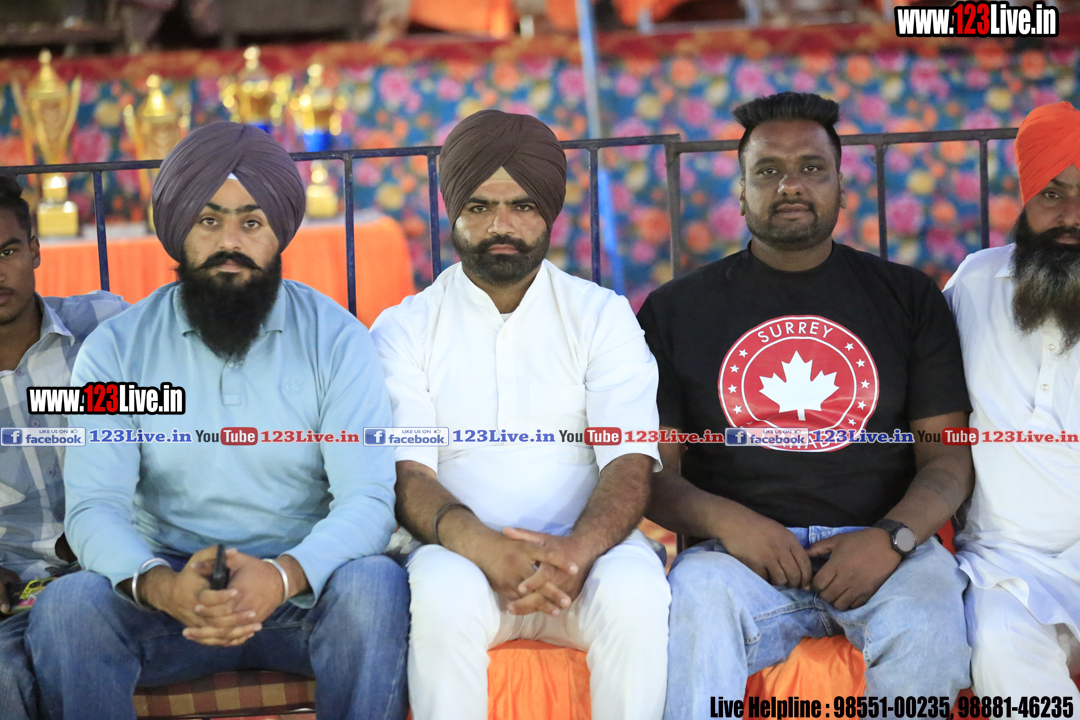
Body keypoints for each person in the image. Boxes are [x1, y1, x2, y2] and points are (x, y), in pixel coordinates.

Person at [25, 122, 409, 720]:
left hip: (302, 592)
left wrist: (282, 576)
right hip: (172, 598)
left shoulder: (336, 339)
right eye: (209, 220)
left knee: (374, 589)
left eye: (251, 223)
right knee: (69, 609)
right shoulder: (116, 351)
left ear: (279, 233)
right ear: (179, 231)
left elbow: (367, 498)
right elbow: (95, 505)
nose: (230, 242)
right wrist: (162, 586)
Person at [636, 92, 974, 717]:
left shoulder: (908, 297)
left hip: (886, 548)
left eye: (812, 168)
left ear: (842, 188)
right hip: (735, 561)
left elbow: (948, 460)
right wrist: (731, 524)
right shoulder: (676, 309)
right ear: (741, 194)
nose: (790, 184)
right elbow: (653, 472)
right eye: (768, 170)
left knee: (929, 624)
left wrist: (892, 539)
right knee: (695, 603)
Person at [370, 109, 670, 720]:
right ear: (452, 214)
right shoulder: (404, 328)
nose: (500, 225)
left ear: (549, 214)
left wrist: (577, 551)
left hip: (588, 557)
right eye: (479, 207)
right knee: (442, 599)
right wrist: (486, 550)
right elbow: (408, 474)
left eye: (522, 206)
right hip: (461, 556)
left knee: (636, 593)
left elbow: (630, 459)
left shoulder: (601, 316)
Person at [945, 101, 1080, 699]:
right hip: (1005, 562)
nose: (1071, 216)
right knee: (998, 650)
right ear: (1025, 200)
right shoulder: (975, 284)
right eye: (1052, 194)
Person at [0, 175, 127, 720]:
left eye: (6, 251)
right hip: (14, 595)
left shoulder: (104, 327)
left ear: (34, 249)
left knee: (77, 624)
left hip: (120, 575)